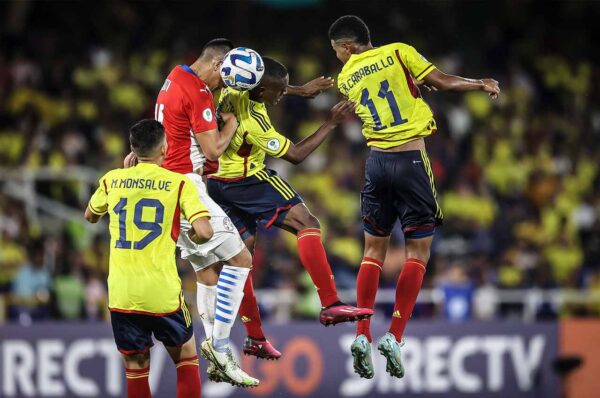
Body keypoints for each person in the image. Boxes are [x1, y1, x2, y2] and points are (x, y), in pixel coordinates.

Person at [327, 15, 500, 379]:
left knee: (372, 252)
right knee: (418, 252)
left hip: (376, 163)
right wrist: (479, 83)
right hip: (410, 159)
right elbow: (442, 81)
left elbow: (386, 90)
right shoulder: (399, 52)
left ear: (346, 47)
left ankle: (361, 335)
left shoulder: (345, 78)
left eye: (337, 52)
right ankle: (395, 335)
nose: (339, 59)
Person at [203, 56, 372, 367]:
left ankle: (254, 336)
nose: (282, 95)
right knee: (307, 223)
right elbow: (295, 154)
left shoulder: (231, 89)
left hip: (216, 185)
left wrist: (300, 90)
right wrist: (331, 122)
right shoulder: (255, 122)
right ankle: (330, 302)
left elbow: (268, 86)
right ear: (261, 90)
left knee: (241, 261)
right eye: (278, 91)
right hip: (248, 180)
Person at [84, 119, 213, 398]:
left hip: (122, 293)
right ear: (165, 148)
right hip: (161, 292)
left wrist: (124, 175)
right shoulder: (178, 184)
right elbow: (204, 230)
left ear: (132, 149)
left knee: (135, 366)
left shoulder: (112, 179)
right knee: (186, 355)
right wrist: (192, 237)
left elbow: (90, 216)